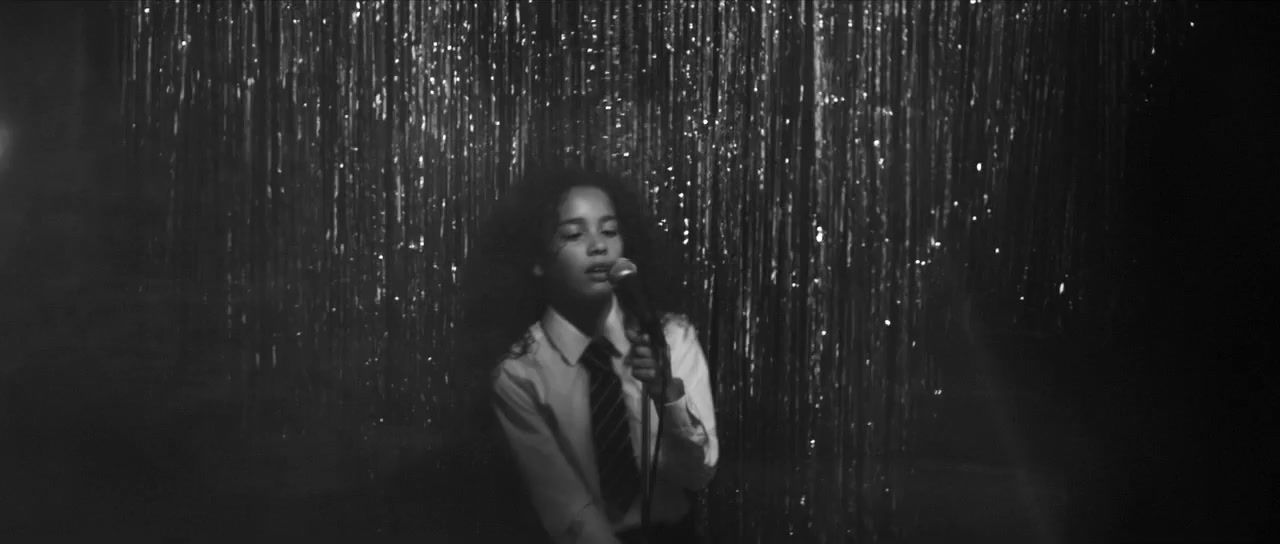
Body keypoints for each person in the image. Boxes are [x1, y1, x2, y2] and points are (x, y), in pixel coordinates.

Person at [460, 164, 718, 544]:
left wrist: (669, 395)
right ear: (537, 258)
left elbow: (698, 475)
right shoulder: (520, 374)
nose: (599, 245)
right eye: (574, 234)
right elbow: (565, 506)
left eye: (610, 231)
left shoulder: (672, 338)